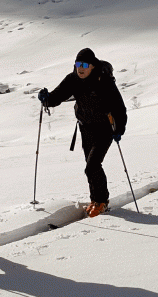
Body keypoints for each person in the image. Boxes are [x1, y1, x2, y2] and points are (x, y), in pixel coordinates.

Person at [38, 48, 127, 218]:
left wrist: (119, 129)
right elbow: (58, 96)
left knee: (92, 165)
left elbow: (119, 107)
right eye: (78, 64)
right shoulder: (73, 79)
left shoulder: (104, 81)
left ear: (92, 66)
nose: (80, 68)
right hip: (85, 127)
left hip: (104, 129)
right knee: (91, 165)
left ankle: (102, 201)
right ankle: (95, 200)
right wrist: (46, 99)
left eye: (84, 65)